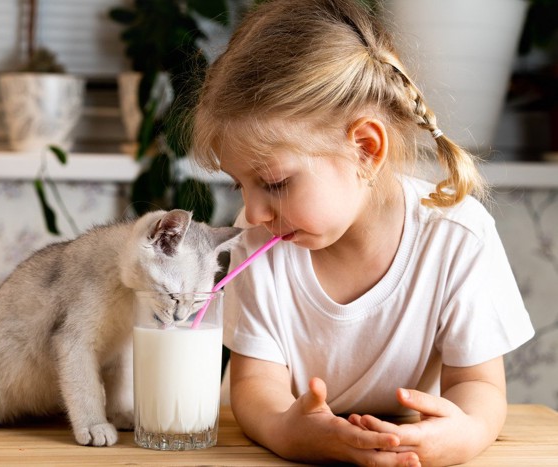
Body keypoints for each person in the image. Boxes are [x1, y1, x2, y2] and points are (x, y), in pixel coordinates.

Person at [189, 0, 535, 465]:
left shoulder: (456, 238)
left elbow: (479, 385)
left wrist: (464, 434)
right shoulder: (256, 242)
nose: (252, 210)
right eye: (240, 184)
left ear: (365, 150)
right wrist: (284, 431)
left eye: (274, 183)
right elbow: (255, 387)